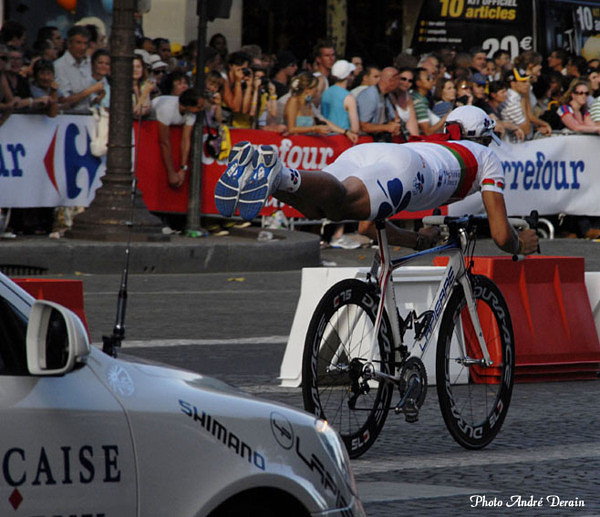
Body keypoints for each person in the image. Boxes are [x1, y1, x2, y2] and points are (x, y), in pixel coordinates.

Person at [214, 105, 538, 257]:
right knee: (342, 202)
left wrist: (419, 242)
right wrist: (519, 244)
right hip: (411, 168)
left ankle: (277, 180)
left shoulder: (435, 140)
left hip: (380, 153)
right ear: (482, 137)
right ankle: (280, 172)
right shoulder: (486, 157)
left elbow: (368, 226)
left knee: (326, 209)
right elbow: (499, 234)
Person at [151, 88, 205, 189]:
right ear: (188, 106)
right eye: (199, 107)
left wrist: (183, 169)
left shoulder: (192, 113)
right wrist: (171, 172)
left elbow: (185, 140)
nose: (202, 109)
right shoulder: (167, 109)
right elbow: (164, 142)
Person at [54, 25, 105, 113]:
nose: (83, 47)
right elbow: (64, 100)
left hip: (87, 117)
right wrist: (90, 90)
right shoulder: (59, 66)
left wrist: (97, 97)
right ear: (69, 44)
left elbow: (89, 97)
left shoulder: (88, 63)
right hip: (67, 118)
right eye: (78, 43)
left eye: (85, 43)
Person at [356, 66, 401, 141]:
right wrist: (386, 127)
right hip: (366, 141)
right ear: (391, 80)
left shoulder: (388, 96)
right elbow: (363, 126)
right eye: (398, 80)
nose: (399, 83)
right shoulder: (370, 95)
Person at [320, 59, 360, 143]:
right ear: (347, 76)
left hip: (325, 140)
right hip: (343, 140)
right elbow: (355, 128)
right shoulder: (349, 97)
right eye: (351, 74)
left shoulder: (325, 93)